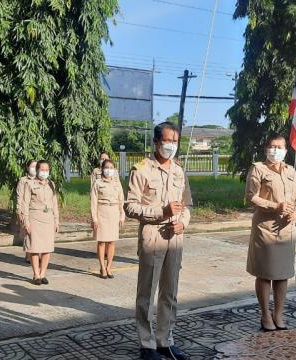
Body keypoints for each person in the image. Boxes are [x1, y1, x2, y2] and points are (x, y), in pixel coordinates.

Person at [125, 121, 192, 360]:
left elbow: (187, 204)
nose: (171, 146)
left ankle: (165, 340)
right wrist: (161, 212)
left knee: (170, 291)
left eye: (175, 142)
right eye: (167, 141)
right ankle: (147, 343)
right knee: (147, 292)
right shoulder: (141, 169)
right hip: (152, 235)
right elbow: (130, 206)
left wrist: (183, 221)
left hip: (175, 236)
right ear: (156, 142)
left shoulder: (179, 170)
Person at [245, 135, 296, 332]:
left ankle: (278, 313)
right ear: (265, 149)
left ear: (286, 150)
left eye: (279, 147)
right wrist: (275, 206)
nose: (275, 150)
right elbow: (250, 197)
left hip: (287, 229)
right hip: (265, 228)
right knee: (264, 274)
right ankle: (265, 315)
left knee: (282, 274)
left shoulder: (290, 170)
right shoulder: (258, 168)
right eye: (272, 146)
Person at [18, 160, 60, 285]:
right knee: (34, 247)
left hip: (48, 219)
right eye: (42, 170)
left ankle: (43, 274)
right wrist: (26, 222)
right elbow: (25, 204)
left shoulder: (51, 184)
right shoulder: (29, 184)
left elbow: (55, 204)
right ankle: (36, 274)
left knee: (47, 248)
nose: (45, 172)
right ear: (37, 170)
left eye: (47, 170)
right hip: (34, 217)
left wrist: (56, 220)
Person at [90, 159, 124, 279]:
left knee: (112, 242)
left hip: (114, 213)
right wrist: (94, 218)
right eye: (106, 167)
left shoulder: (117, 183)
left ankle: (109, 266)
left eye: (111, 168)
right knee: (102, 241)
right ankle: (102, 267)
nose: (109, 170)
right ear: (102, 169)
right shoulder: (97, 183)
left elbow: (121, 200)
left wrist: (122, 215)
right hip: (102, 213)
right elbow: (93, 202)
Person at [16, 160, 38, 263]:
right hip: (26, 210)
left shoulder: (41, 180)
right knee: (27, 233)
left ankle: (36, 254)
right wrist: (19, 211)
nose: (34, 168)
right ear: (28, 167)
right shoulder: (23, 180)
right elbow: (19, 196)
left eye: (36, 166)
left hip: (37, 212)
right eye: (32, 166)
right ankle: (28, 255)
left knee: (36, 234)